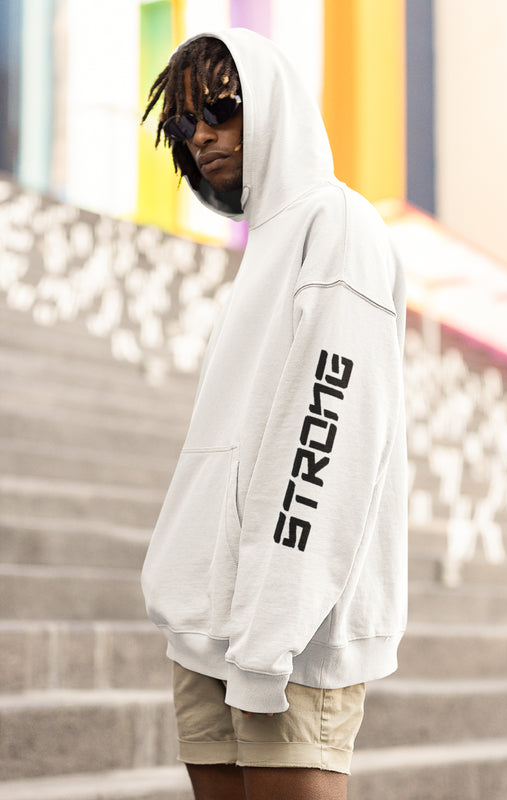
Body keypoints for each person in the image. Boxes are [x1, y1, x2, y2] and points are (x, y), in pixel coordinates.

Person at [141, 28, 407, 800]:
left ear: (270, 104)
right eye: (183, 122)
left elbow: (326, 437)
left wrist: (270, 638)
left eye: (220, 108)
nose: (201, 136)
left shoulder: (337, 226)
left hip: (289, 639)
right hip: (207, 627)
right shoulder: (262, 247)